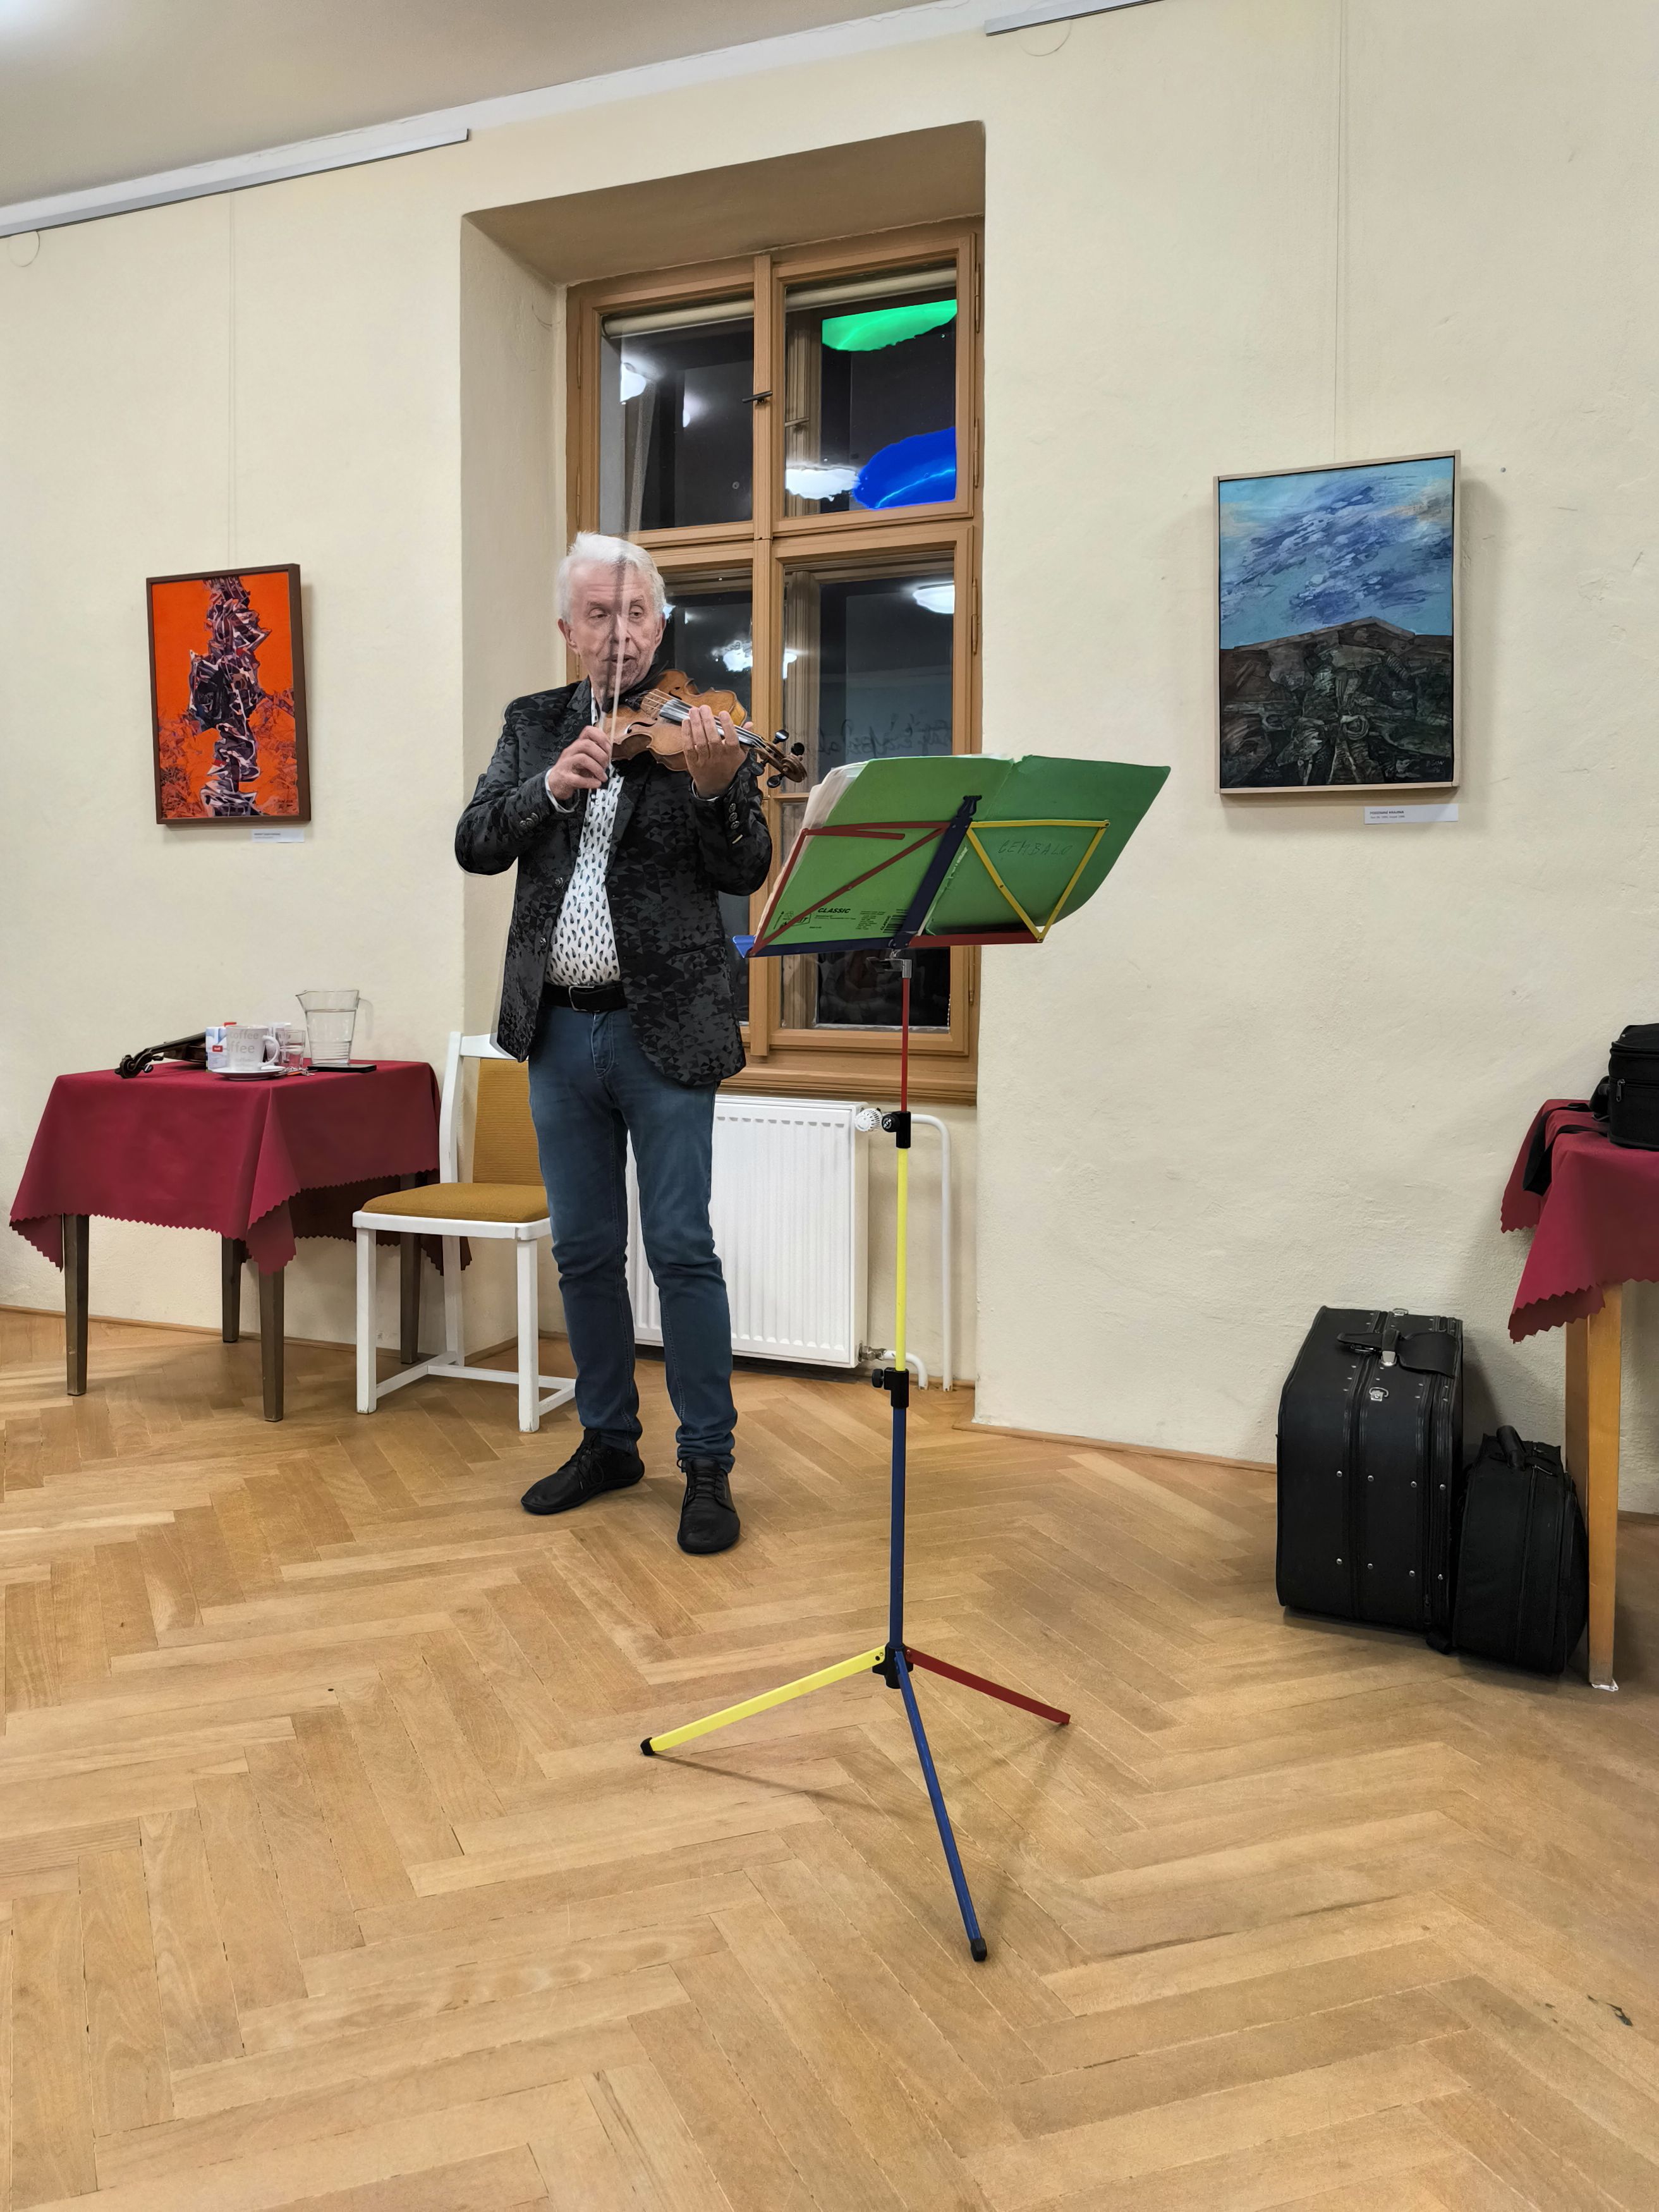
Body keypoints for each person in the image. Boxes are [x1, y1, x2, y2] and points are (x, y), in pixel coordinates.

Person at [455, 532, 770, 1553]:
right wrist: (548, 787)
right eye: (600, 614)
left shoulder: (704, 729)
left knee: (680, 1249)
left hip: (663, 1028)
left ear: (660, 626)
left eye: (636, 614)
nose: (620, 633)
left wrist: (718, 789)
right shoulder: (532, 723)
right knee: (585, 1251)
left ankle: (707, 1463)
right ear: (568, 628)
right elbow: (474, 842)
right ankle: (607, 1441)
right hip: (556, 1028)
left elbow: (746, 868)